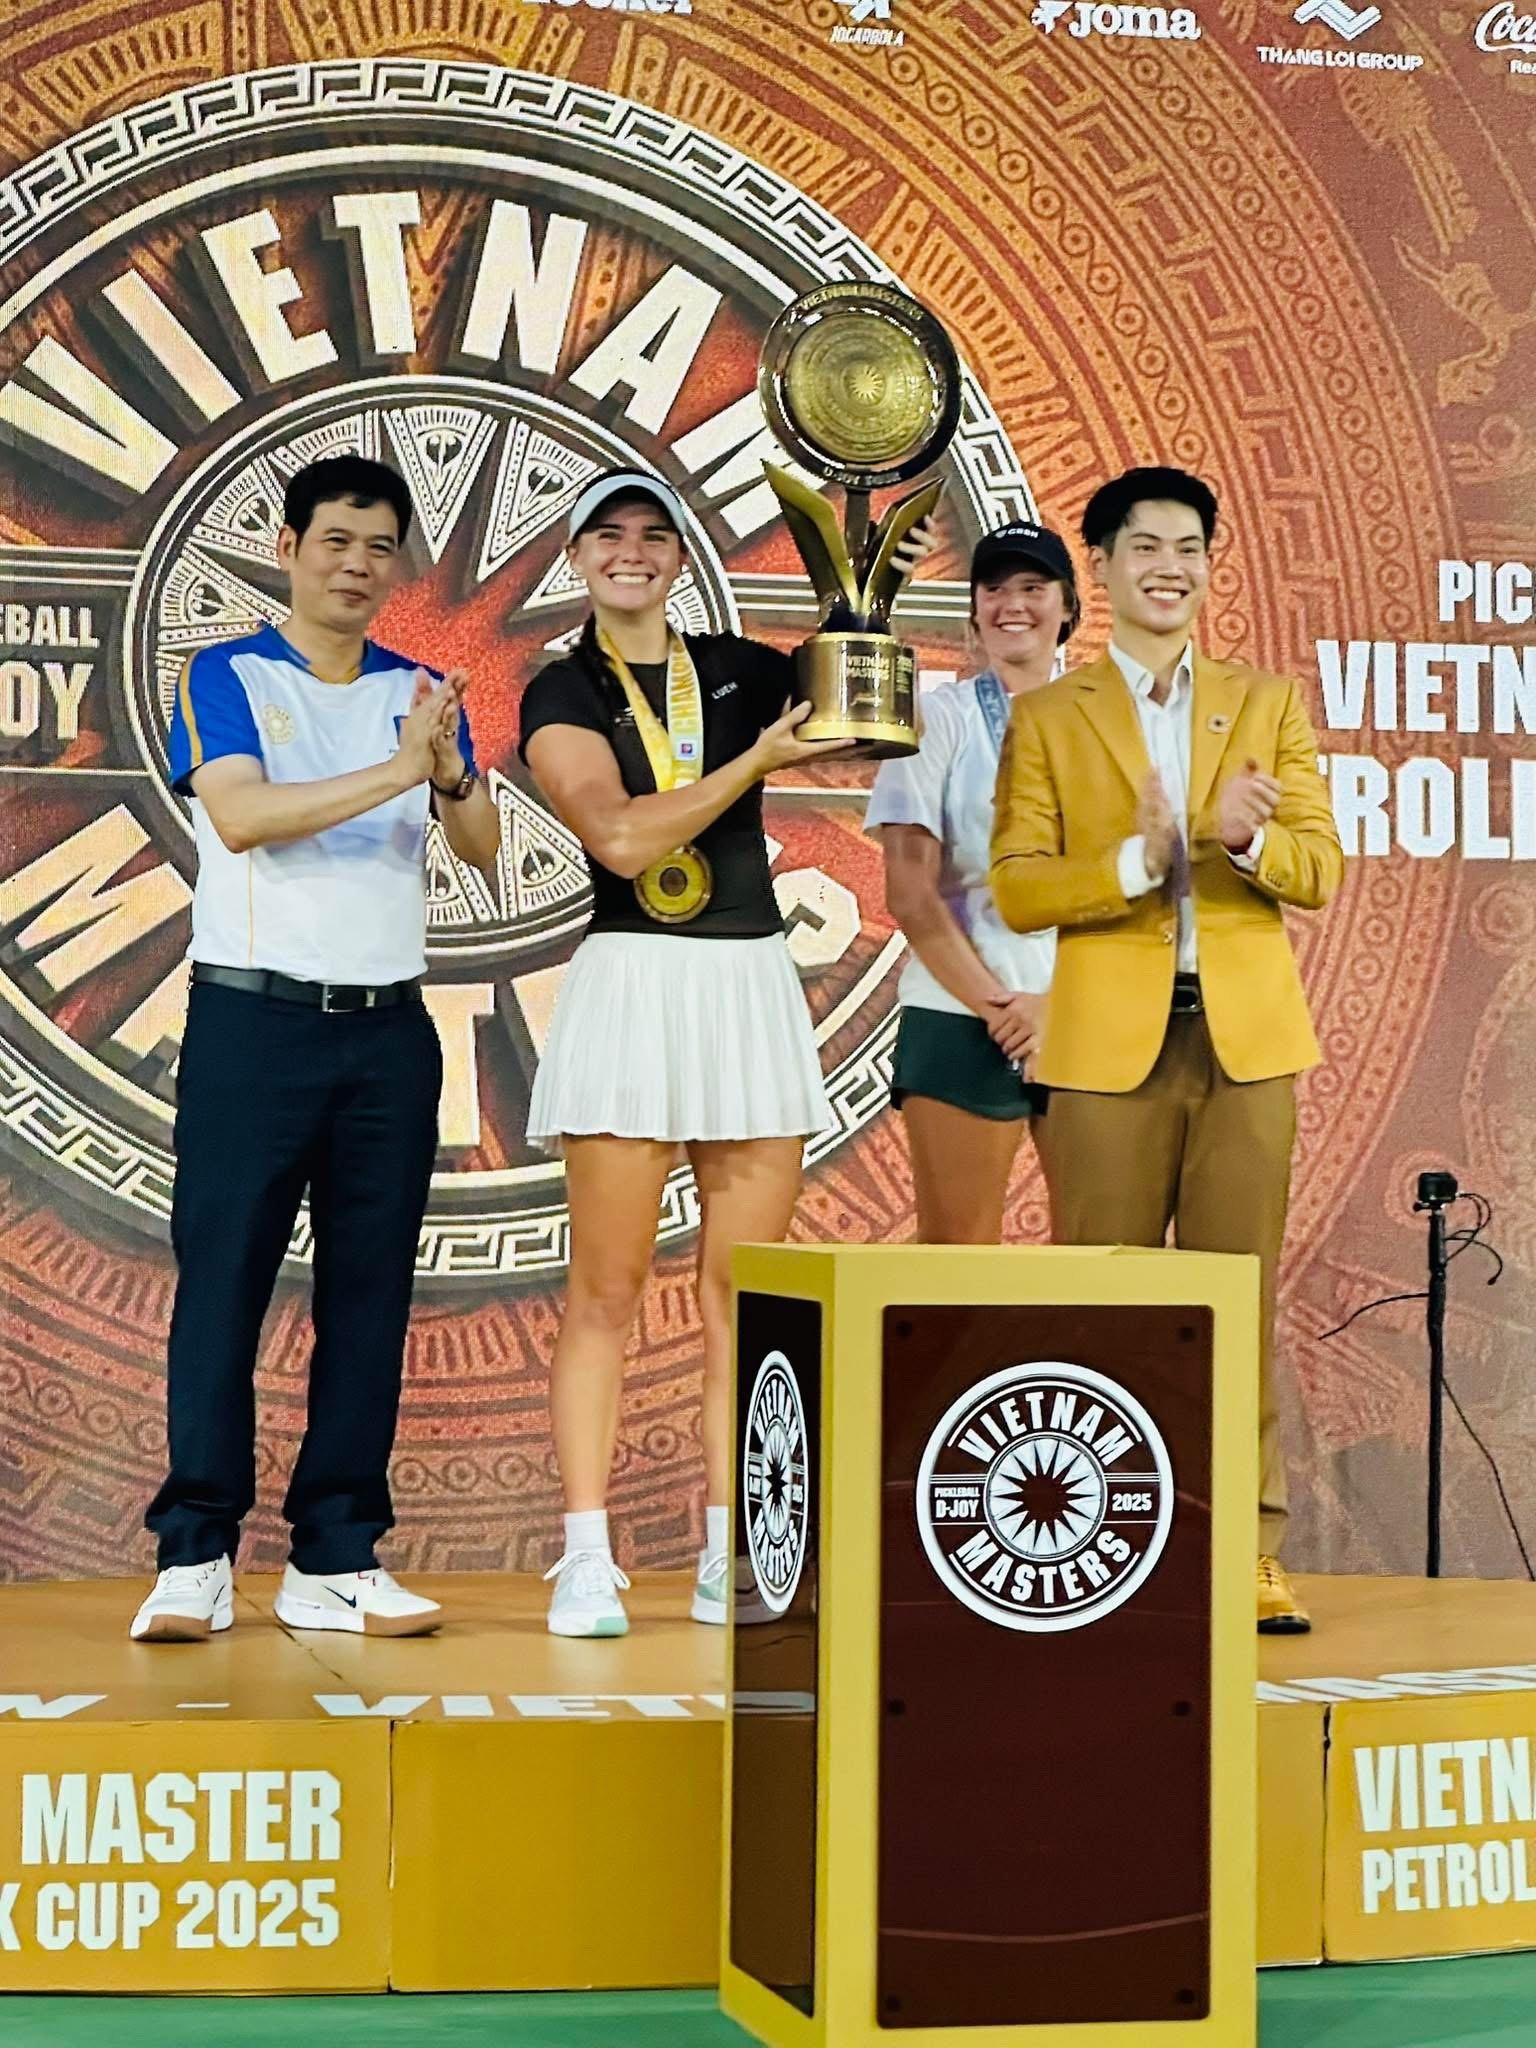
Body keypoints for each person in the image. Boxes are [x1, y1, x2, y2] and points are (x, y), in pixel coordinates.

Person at [518, 469, 922, 1638]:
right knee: (605, 1291)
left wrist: (862, 576)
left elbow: (869, 713)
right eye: (608, 535)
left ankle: (732, 1547)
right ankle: (584, 1555)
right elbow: (619, 835)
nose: (632, 552)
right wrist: (753, 765)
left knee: (745, 1296)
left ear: (681, 556)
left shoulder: (743, 669)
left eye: (654, 534)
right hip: (634, 981)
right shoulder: (562, 685)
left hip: (746, 982)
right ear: (578, 557)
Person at [129, 454, 500, 1644]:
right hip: (255, 1022)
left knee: (368, 1295)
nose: (356, 565)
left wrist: (448, 770)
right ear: (288, 547)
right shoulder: (227, 672)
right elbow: (242, 815)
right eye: (336, 541)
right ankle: (195, 1550)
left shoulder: (420, 689)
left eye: (378, 547)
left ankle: (335, 1555)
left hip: (389, 1030)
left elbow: (482, 844)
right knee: (223, 1282)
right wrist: (397, 768)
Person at [988, 466, 1343, 1636]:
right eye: (1145, 545)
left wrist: (1242, 844)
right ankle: (1108, 1545)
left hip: (1245, 1042)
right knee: (1106, 1306)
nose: (1170, 567)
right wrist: (1143, 861)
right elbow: (1018, 886)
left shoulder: (1266, 703)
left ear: (1209, 564)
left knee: (1238, 1302)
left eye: (1190, 546)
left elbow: (1319, 867)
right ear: (1101, 565)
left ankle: (1249, 1551)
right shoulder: (1051, 715)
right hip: (1104, 1049)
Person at [866, 522, 1077, 1242]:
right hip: (960, 1013)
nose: (1012, 604)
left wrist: (1058, 1003)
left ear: (1068, 607)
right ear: (974, 613)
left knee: (1103, 1256)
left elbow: (1139, 890)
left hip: (1083, 1012)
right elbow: (910, 893)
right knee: (957, 1262)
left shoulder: (1114, 725)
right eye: (994, 588)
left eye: (1033, 587)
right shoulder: (937, 719)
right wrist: (1004, 1011)